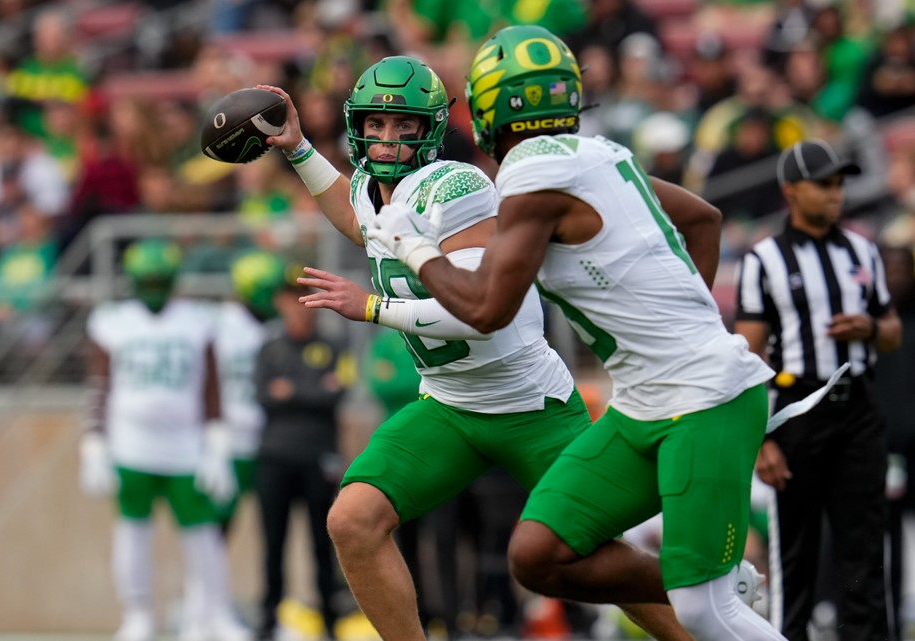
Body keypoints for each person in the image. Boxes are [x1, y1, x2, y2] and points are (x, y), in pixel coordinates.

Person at [366, 26, 783, 640]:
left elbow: (486, 311)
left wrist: (412, 245)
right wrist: (677, 313)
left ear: (486, 109)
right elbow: (704, 217)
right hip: (645, 400)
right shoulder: (601, 153)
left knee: (702, 612)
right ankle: (710, 578)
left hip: (703, 397)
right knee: (539, 555)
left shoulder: (530, 179)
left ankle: (711, 585)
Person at [260, 56, 691, 641]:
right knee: (353, 522)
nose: (386, 139)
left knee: (587, 558)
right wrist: (297, 148)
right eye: (377, 125)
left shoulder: (457, 187)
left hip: (527, 406)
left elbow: (481, 313)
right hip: (450, 405)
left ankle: (703, 614)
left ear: (430, 128)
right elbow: (357, 214)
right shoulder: (370, 185)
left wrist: (369, 307)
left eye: (403, 126)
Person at [733, 140, 902, 641]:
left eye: (839, 184)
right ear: (791, 191)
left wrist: (868, 329)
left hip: (859, 409)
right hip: (797, 411)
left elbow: (892, 328)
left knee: (865, 548)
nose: (836, 194)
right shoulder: (764, 258)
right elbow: (747, 356)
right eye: (823, 184)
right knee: (796, 555)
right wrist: (760, 437)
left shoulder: (862, 249)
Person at [79, 239, 248, 641]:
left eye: (159, 280)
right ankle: (136, 614)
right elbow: (98, 386)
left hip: (184, 447)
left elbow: (212, 388)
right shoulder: (113, 320)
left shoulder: (197, 319)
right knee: (132, 531)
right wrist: (93, 442)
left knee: (203, 536)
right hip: (130, 444)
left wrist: (217, 445)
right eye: (147, 280)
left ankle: (213, 612)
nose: (153, 287)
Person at [252, 272, 351, 641]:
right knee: (272, 544)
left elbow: (336, 393)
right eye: (290, 299)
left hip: (318, 458)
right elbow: (263, 396)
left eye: (304, 298)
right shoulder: (269, 348)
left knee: (323, 543)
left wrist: (291, 391)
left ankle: (330, 620)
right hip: (275, 458)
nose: (298, 308)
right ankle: (268, 620)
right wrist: (312, 390)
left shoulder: (334, 346)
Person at [213, 249, 286, 530]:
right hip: (231, 441)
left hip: (273, 439)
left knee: (276, 528)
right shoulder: (219, 324)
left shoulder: (282, 327)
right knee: (216, 524)